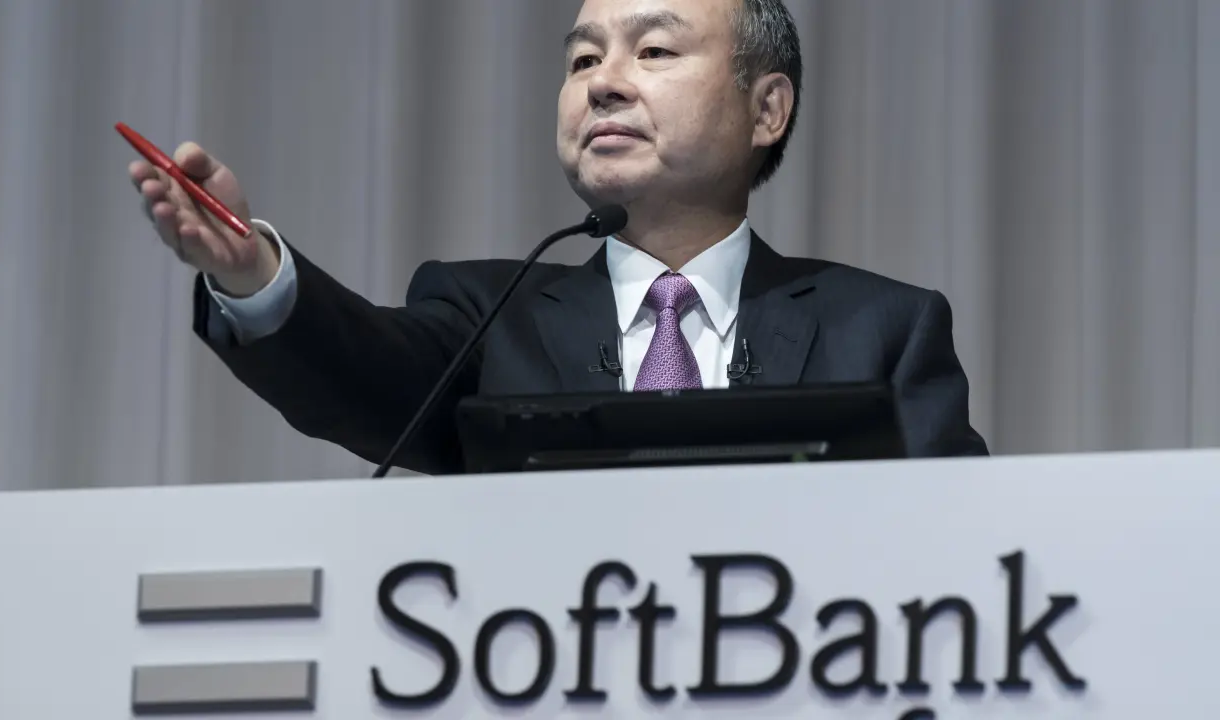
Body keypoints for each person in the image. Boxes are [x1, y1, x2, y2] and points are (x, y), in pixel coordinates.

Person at [128, 0, 989, 475]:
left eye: (654, 52)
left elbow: (967, 569)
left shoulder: (882, 329)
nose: (603, 84)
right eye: (582, 60)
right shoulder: (489, 315)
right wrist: (255, 274)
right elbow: (360, 370)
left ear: (767, 109)